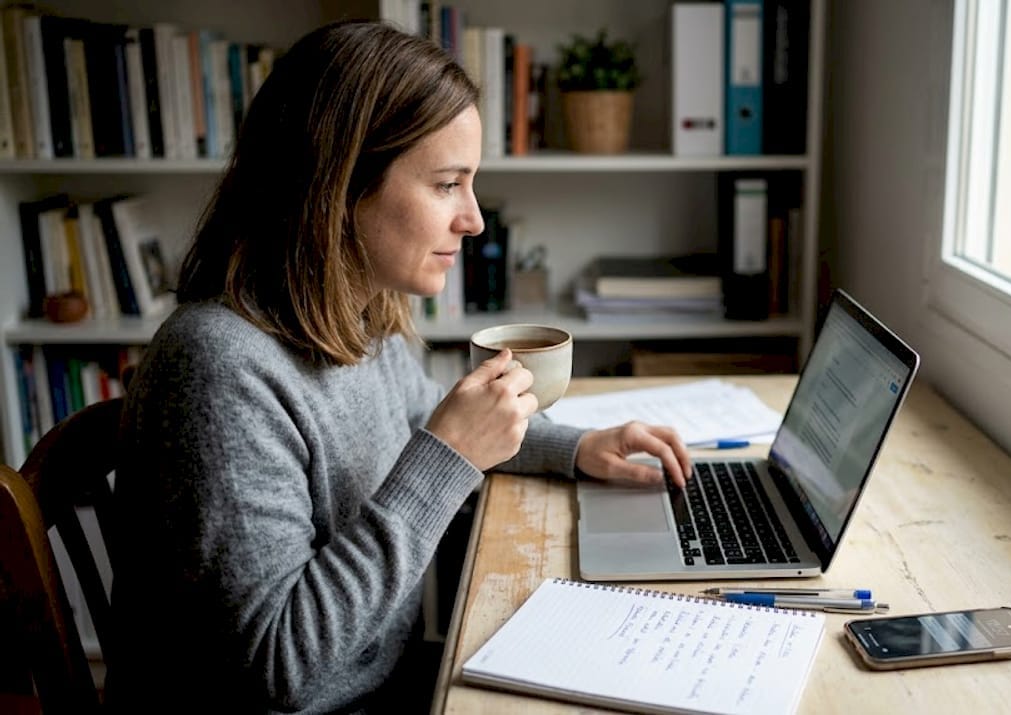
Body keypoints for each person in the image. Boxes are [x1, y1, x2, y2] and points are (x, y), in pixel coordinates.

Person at [107, 20, 691, 714]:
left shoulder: (358, 314)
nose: (473, 219)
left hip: (385, 679)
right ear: (338, 187)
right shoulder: (217, 368)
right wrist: (445, 456)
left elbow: (425, 419)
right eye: (447, 183)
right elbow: (277, 668)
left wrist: (574, 447)